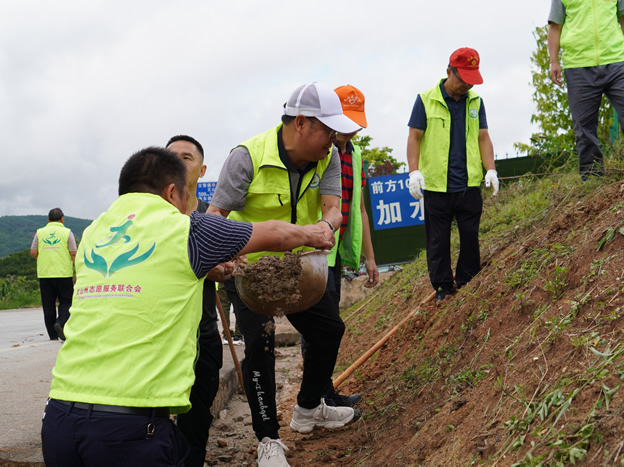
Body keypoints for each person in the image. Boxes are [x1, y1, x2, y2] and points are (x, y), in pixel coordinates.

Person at [41, 147, 334, 467]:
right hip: (128, 431)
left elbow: (156, 271)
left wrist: (209, 269)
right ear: (171, 193)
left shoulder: (93, 233)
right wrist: (316, 233)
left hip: (58, 419)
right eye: (184, 199)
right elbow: (275, 234)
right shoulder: (186, 229)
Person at [207, 82, 361, 467]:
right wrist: (221, 260)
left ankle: (308, 408)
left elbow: (333, 208)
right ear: (302, 123)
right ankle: (268, 440)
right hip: (251, 271)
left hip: (298, 268)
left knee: (329, 330)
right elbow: (214, 219)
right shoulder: (247, 158)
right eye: (328, 130)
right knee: (259, 345)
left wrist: (326, 226)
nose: (334, 139)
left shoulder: (329, 157)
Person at [301, 85, 379, 408]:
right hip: (315, 250)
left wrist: (370, 258)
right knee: (320, 326)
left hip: (335, 251)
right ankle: (318, 398)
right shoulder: (319, 151)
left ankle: (324, 393)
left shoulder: (356, 155)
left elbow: (359, 208)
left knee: (329, 324)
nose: (350, 129)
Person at [406, 47, 499, 303]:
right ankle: (443, 288)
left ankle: (468, 279)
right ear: (449, 72)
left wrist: (490, 168)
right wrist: (413, 171)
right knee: (438, 241)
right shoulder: (425, 100)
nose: (467, 85)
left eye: (472, 80)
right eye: (463, 79)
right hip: (437, 185)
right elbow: (414, 137)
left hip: (468, 184)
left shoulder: (476, 102)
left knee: (470, 235)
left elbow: (483, 137)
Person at [165, 134, 223, 467]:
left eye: (186, 157)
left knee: (198, 407)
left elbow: (233, 258)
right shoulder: (151, 217)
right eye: (171, 156)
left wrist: (224, 266)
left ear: (202, 170)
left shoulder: (211, 218)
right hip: (160, 329)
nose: (177, 162)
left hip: (201, 327)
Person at [548, 0, 624, 178]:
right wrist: (554, 61)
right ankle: (592, 178)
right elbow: (555, 27)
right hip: (578, 66)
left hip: (616, 61)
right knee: (584, 129)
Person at [30, 208, 77, 341]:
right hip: (64, 274)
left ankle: (52, 335)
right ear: (62, 219)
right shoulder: (67, 232)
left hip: (45, 274)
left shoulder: (39, 233)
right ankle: (60, 323)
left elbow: (33, 252)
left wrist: (44, 258)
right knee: (66, 301)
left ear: (48, 219)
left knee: (48, 304)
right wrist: (77, 271)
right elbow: (73, 253)